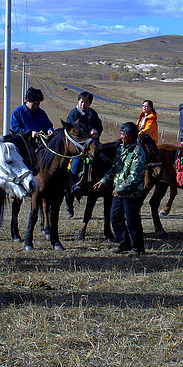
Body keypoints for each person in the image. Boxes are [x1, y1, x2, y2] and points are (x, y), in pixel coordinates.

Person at [94, 122, 148, 256]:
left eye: (123, 134)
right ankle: (124, 243)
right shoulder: (121, 148)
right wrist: (103, 180)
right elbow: (114, 168)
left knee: (132, 221)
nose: (121, 136)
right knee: (115, 217)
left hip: (131, 194)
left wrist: (120, 189)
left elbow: (135, 177)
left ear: (130, 136)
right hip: (118, 192)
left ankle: (138, 248)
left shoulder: (138, 154)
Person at [65, 91, 103, 217]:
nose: (83, 104)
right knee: (74, 167)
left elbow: (99, 127)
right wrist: (88, 132)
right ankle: (71, 191)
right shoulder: (73, 114)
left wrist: (96, 131)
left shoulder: (93, 114)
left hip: (92, 145)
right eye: (81, 101)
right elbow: (72, 130)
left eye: (86, 102)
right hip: (78, 147)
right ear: (78, 101)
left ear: (90, 103)